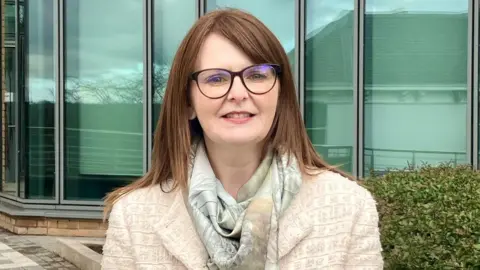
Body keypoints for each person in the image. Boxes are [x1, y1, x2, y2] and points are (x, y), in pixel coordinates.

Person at [101, 8, 383, 270]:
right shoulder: (133, 217)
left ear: (280, 95)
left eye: (257, 75)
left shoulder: (349, 207)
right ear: (187, 102)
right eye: (216, 79)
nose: (238, 93)